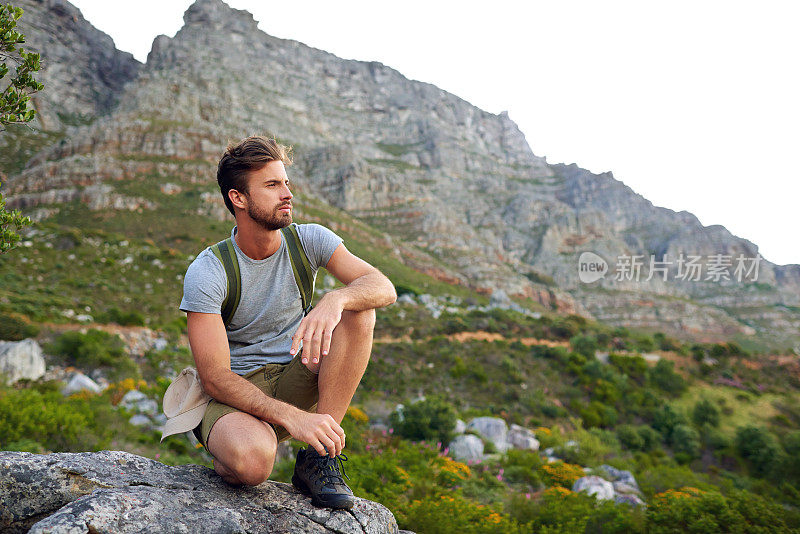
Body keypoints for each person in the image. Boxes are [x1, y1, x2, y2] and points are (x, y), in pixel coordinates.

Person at [179, 135, 397, 509]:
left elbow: (383, 287)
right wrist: (293, 419)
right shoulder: (209, 271)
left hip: (295, 371)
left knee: (359, 310)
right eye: (272, 185)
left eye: (286, 183)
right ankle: (230, 445)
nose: (287, 194)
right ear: (239, 198)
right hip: (235, 393)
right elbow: (214, 376)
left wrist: (336, 298)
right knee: (253, 465)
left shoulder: (309, 239)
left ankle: (319, 459)